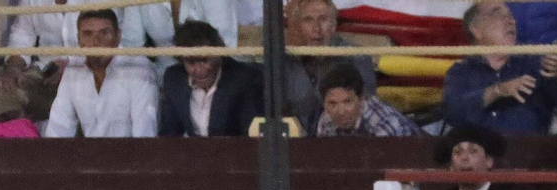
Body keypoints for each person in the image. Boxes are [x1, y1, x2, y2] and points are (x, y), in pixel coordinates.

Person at [441, 0, 557, 135]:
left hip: (528, 161)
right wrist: (497, 91)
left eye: (510, 15)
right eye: (497, 13)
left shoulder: (533, 65)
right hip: (478, 164)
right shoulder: (460, 72)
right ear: (476, 29)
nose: (510, 20)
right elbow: (453, 112)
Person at [44, 10, 157, 137]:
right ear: (79, 39)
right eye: (88, 34)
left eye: (104, 33)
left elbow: (145, 136)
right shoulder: (74, 68)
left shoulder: (138, 69)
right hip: (89, 155)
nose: (96, 42)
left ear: (118, 36)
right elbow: (58, 129)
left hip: (130, 154)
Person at [281, 0, 378, 133]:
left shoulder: (355, 57)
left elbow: (367, 108)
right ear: (299, 26)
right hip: (294, 144)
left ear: (333, 25)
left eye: (323, 19)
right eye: (308, 20)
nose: (316, 28)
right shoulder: (286, 61)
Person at [159, 19, 264, 136]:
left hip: (235, 152)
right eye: (191, 62)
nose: (199, 69)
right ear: (181, 60)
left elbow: (251, 137)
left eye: (204, 60)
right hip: (193, 152)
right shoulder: (174, 79)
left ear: (218, 52)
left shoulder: (244, 79)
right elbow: (169, 135)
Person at [314, 62, 419, 136]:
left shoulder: (384, 123)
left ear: (361, 98)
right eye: (332, 104)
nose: (340, 111)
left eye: (347, 102)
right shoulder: (326, 120)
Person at [431, 124, 528, 190]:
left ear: (489, 161)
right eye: (457, 152)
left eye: (473, 151)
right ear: (451, 166)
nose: (464, 158)